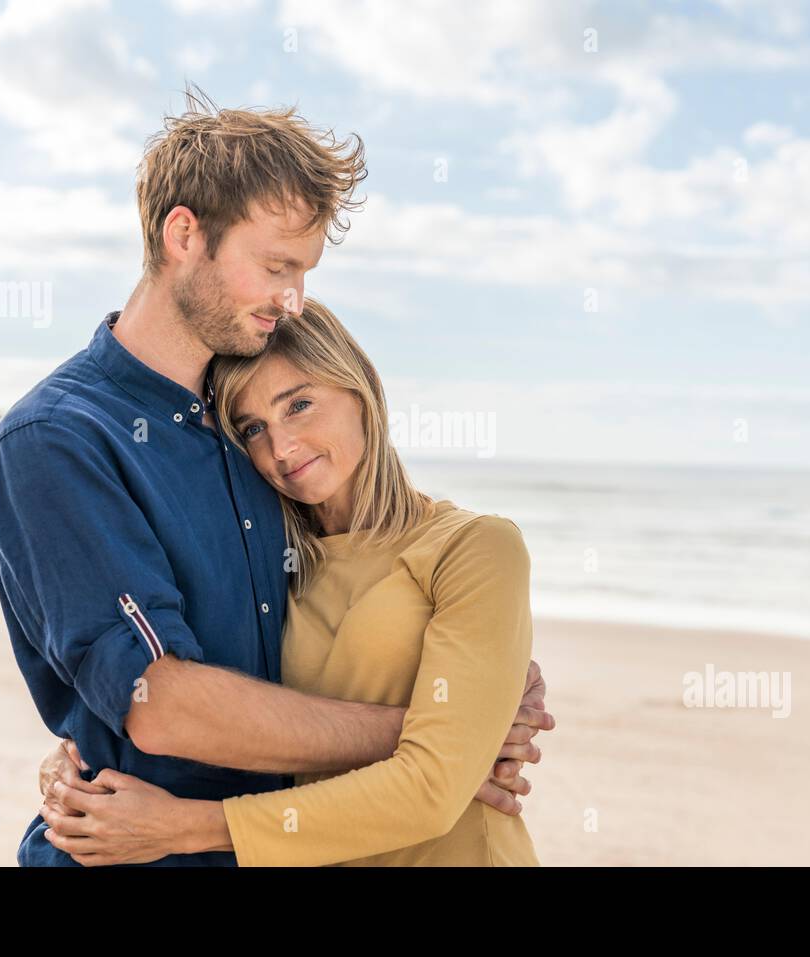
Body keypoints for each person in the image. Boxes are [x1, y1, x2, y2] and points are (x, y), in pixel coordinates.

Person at [0, 92, 553, 867]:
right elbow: (160, 704)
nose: (292, 298)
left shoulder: (245, 430)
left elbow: (364, 598)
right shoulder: (60, 438)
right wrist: (441, 730)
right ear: (184, 234)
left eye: (305, 272)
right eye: (276, 265)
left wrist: (478, 692)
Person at [39, 299, 546, 865]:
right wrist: (84, 747)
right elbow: (213, 701)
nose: (281, 449)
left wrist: (187, 827)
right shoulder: (270, 561)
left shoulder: (475, 547)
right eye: (253, 429)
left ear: (360, 389)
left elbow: (431, 790)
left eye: (300, 405)